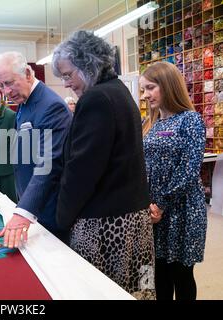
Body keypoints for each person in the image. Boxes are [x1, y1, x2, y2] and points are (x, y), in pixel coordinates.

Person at [52, 30, 154, 299]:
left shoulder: (96, 98)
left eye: (67, 74)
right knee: (135, 290)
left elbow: (82, 170)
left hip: (106, 225)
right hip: (130, 217)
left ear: (87, 65)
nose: (65, 83)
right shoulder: (118, 91)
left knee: (100, 291)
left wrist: (61, 217)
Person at [140, 61, 207, 300]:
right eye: (143, 90)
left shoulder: (191, 120)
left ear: (167, 85)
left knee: (181, 272)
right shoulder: (148, 123)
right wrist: (146, 202)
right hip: (152, 211)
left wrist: (161, 203)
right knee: (159, 274)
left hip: (182, 210)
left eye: (150, 88)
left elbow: (189, 170)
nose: (146, 95)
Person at [0, 51, 72, 247]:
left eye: (9, 83)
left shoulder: (51, 106)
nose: (6, 92)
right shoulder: (25, 101)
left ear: (28, 73)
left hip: (49, 210)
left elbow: (49, 165)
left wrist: (23, 213)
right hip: (34, 206)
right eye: (1, 86)